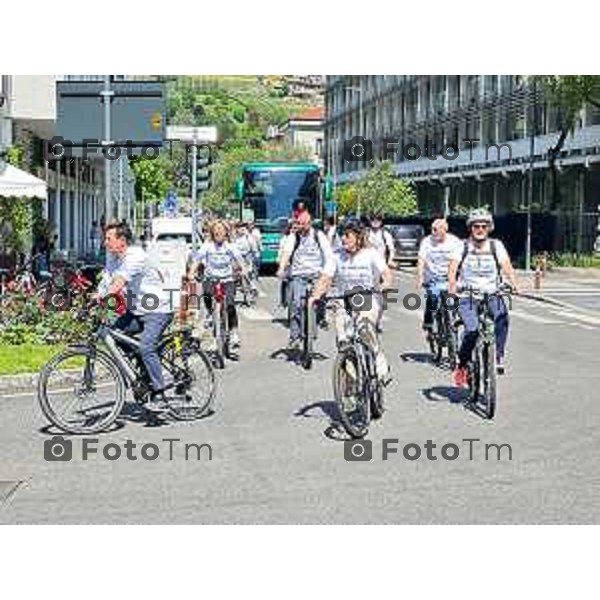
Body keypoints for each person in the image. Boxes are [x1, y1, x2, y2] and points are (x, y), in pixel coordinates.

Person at [97, 221, 174, 412]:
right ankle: (144, 374)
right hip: (136, 311)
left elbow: (118, 283)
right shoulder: (114, 257)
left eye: (108, 239)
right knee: (111, 333)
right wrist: (95, 296)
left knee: (146, 346)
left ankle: (160, 391)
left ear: (122, 240)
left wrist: (105, 298)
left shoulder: (135, 256)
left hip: (158, 310)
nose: (105, 242)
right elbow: (107, 281)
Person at [308, 217, 394, 385]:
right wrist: (316, 295)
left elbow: (386, 274)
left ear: (359, 236)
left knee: (364, 327)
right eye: (341, 235)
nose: (343, 239)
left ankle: (379, 361)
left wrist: (385, 285)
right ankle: (352, 383)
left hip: (368, 298)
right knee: (343, 340)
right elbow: (325, 278)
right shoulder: (336, 256)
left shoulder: (371, 254)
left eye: (347, 235)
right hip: (343, 300)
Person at [448, 208, 519, 386]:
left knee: (502, 317)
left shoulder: (496, 245)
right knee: (471, 330)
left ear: (489, 228)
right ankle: (462, 365)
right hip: (468, 294)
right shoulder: (462, 246)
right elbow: (453, 267)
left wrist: (514, 282)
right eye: (476, 226)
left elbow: (506, 265)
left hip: (491, 292)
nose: (480, 229)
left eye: (484, 226)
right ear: (470, 228)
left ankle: (498, 355)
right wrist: (452, 285)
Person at [277, 210, 335, 349]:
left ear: (310, 223)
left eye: (305, 224)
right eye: (299, 223)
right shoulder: (293, 237)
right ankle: (295, 337)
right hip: (299, 275)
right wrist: (282, 268)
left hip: (316, 274)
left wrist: (328, 274)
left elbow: (328, 254)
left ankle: (317, 322)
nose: (302, 227)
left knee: (320, 302)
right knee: (296, 304)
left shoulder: (318, 235)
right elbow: (287, 253)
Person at [187, 219, 246, 349]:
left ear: (226, 232)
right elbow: (197, 260)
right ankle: (214, 329)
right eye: (216, 229)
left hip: (227, 279)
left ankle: (233, 332)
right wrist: (191, 273)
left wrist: (243, 269)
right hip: (211, 278)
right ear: (212, 232)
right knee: (207, 296)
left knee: (230, 304)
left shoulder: (230, 246)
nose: (219, 231)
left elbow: (239, 260)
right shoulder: (207, 246)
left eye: (221, 229)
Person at [416, 218, 462, 333]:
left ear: (445, 230)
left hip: (450, 277)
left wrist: (453, 282)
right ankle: (428, 321)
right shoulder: (426, 241)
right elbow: (421, 260)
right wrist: (420, 276)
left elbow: (455, 262)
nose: (433, 232)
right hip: (433, 278)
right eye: (432, 229)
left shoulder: (455, 242)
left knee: (454, 298)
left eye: (436, 229)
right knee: (432, 297)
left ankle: (452, 319)